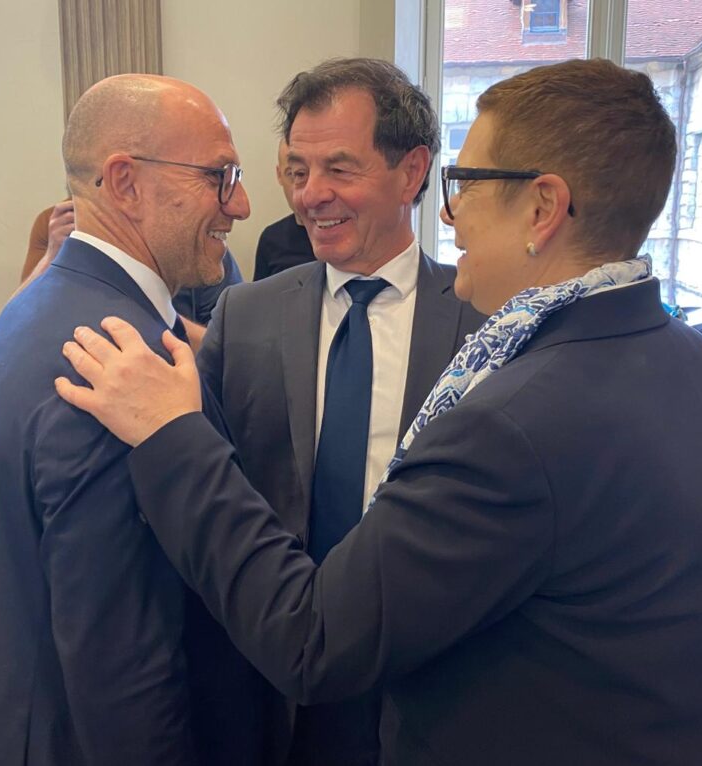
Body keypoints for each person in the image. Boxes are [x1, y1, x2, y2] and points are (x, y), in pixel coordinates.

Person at [56, 59, 702, 766]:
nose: (450, 213)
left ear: (543, 208)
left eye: (464, 184)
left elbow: (319, 638)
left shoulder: (513, 415)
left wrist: (172, 436)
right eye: (296, 170)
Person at [0, 74, 269, 766]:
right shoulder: (116, 362)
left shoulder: (31, 312)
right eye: (221, 177)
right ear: (125, 183)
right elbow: (121, 661)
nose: (241, 205)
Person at [186, 57, 483, 766]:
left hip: (429, 687)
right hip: (269, 688)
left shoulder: (482, 324)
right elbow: (209, 486)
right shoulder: (244, 315)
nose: (310, 196)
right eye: (296, 170)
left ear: (412, 172)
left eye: (339, 170)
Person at [20, 198, 243, 328]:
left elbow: (231, 352)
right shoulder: (56, 225)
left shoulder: (191, 243)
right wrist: (52, 255)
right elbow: (19, 319)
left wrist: (152, 318)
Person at [252, 139, 314, 280]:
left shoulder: (339, 235)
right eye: (294, 174)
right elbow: (259, 300)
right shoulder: (272, 239)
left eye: (305, 174)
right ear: (279, 175)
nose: (305, 189)